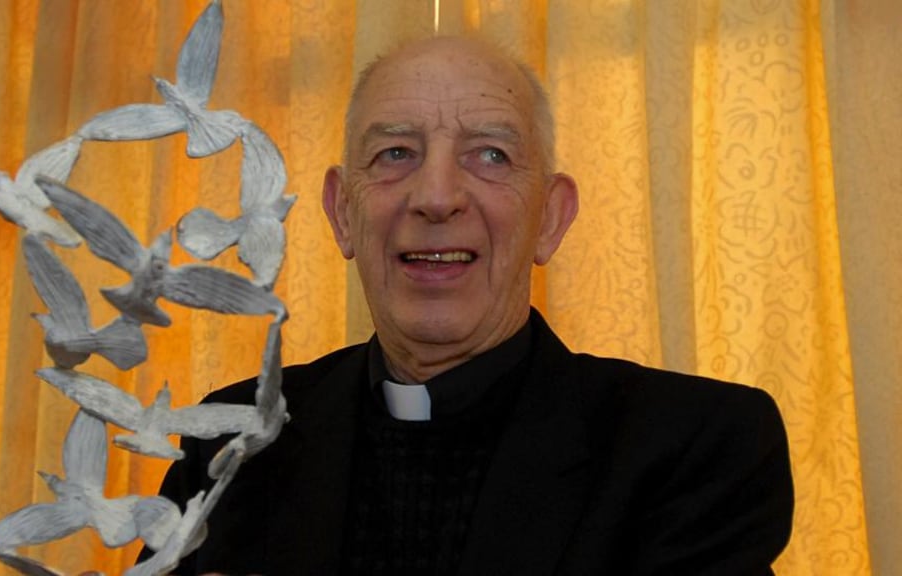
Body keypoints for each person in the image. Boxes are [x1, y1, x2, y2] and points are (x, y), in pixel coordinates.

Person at [147, 35, 794, 575]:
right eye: (395, 153)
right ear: (343, 212)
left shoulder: (696, 447)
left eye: (491, 155)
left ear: (550, 218)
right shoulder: (231, 444)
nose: (436, 196)